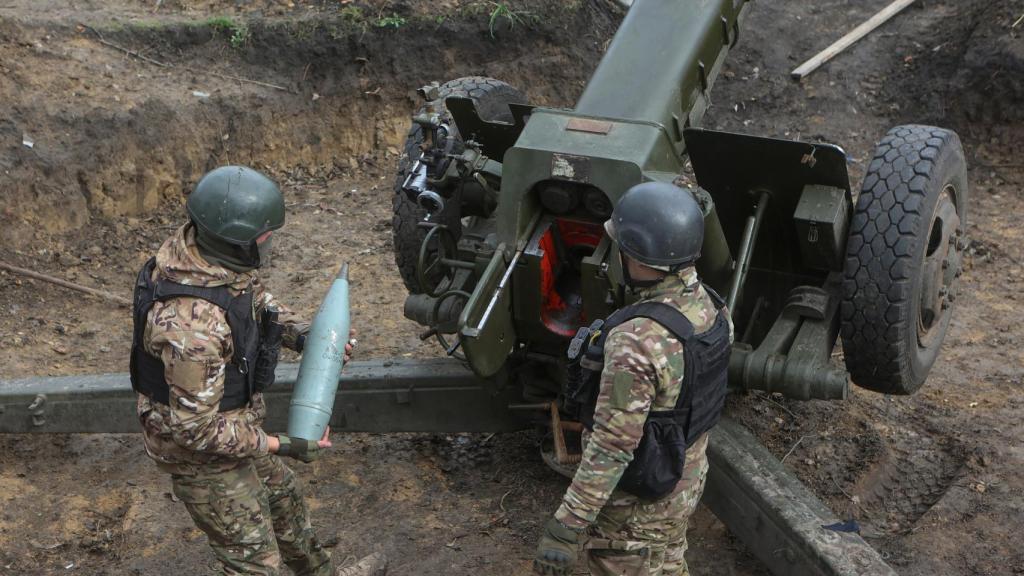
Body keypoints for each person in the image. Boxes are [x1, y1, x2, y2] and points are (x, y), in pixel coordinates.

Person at [130, 165, 386, 576]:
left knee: (284, 501)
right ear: (237, 241)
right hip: (200, 454)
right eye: (265, 236)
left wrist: (305, 334)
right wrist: (278, 444)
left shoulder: (202, 255)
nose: (270, 242)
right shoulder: (194, 331)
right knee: (254, 562)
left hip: (233, 423)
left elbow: (252, 300)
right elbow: (194, 431)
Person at [533, 182, 733, 576]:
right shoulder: (712, 308)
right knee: (668, 560)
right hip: (683, 482)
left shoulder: (636, 342)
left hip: (636, 507)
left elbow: (612, 446)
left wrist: (567, 525)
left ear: (635, 254)